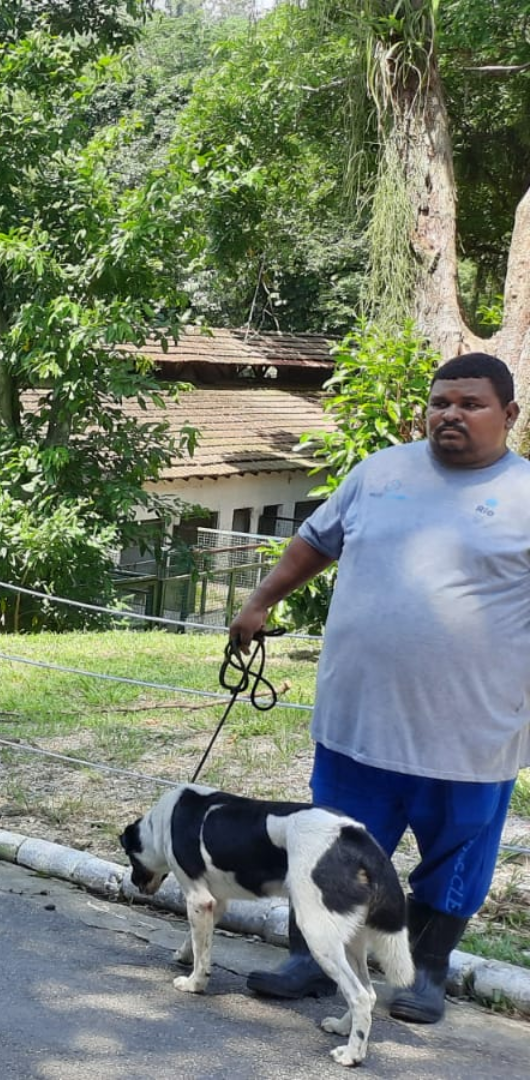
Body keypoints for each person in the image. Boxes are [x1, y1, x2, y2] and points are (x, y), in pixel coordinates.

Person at [231, 351, 530, 1025]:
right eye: (441, 402)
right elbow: (315, 542)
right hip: (359, 722)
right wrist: (260, 601)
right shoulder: (379, 473)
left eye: (471, 404)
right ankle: (312, 960)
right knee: (332, 846)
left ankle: (424, 972)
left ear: (509, 415)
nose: (451, 414)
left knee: (456, 860)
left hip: (474, 733)